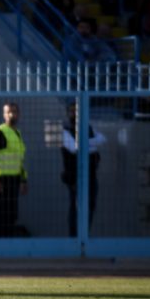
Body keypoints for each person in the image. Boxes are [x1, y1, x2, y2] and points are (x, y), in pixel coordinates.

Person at [61, 102, 105, 237]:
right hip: (74, 175)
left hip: (91, 174)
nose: (74, 113)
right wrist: (90, 144)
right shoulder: (62, 129)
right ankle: (74, 239)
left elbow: (102, 139)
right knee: (76, 208)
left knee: (90, 206)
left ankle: (84, 237)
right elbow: (73, 148)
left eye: (77, 110)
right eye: (72, 110)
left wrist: (84, 144)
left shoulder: (88, 127)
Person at [0, 102, 27, 237]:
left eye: (14, 111)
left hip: (14, 179)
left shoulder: (17, 133)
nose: (11, 114)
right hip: (2, 179)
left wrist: (23, 180)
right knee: (1, 214)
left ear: (19, 114)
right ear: (4, 115)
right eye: (8, 112)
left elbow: (20, 158)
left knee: (12, 214)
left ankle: (9, 243)